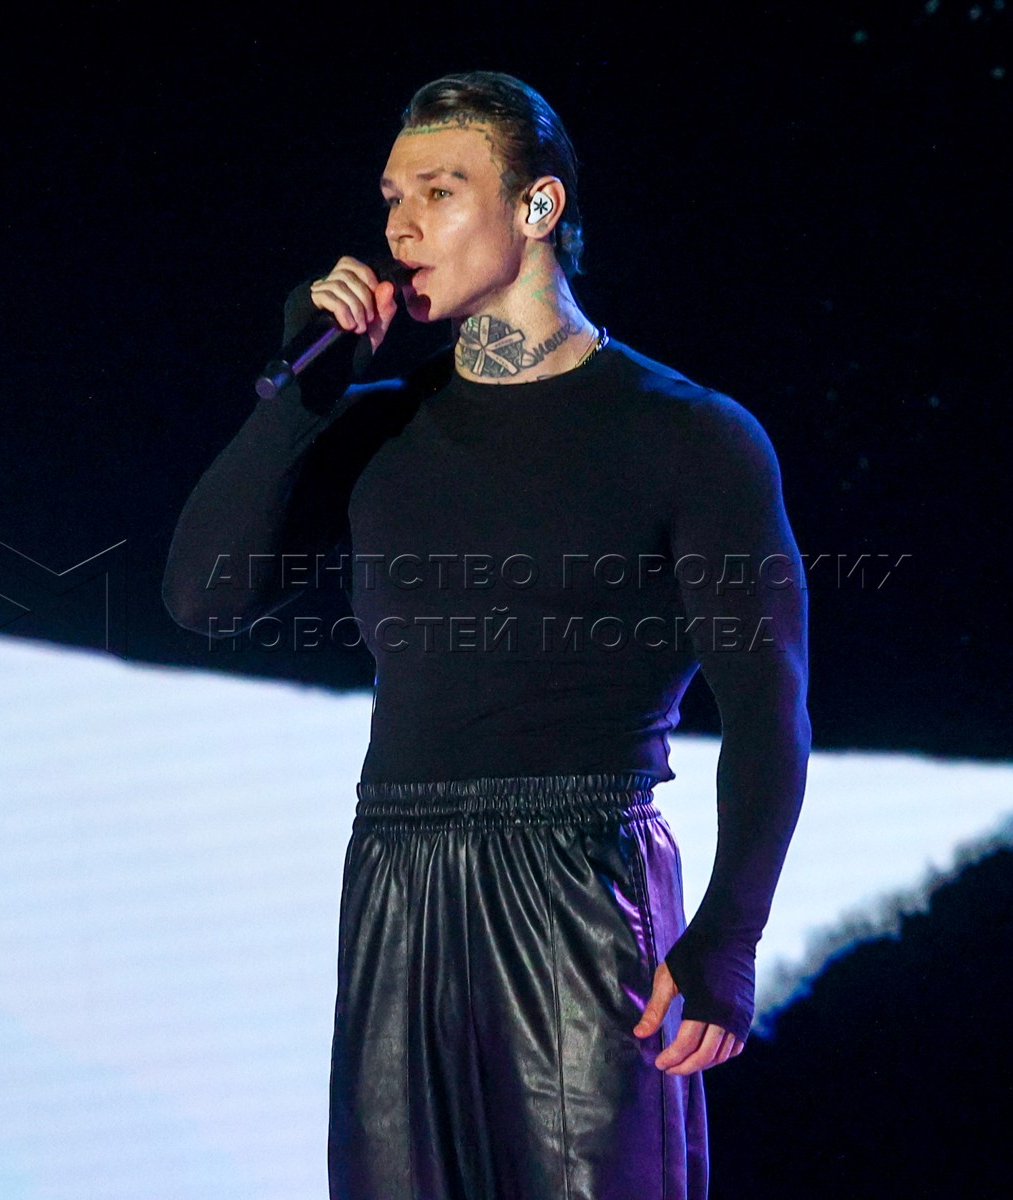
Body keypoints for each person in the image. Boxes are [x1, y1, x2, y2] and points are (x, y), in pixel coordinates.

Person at [162, 71, 810, 1200]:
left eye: (439, 190)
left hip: (580, 881)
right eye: (391, 197)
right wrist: (302, 393)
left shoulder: (688, 435)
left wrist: (729, 934)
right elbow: (202, 597)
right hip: (399, 878)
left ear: (536, 206)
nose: (400, 226)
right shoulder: (375, 428)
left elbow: (767, 706)